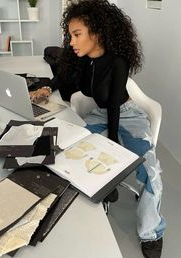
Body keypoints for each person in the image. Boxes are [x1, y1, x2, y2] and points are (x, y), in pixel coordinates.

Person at [30, 1, 166, 257]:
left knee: (150, 171)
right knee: (72, 153)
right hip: (100, 113)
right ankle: (104, 189)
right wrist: (47, 88)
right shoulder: (82, 59)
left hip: (126, 114)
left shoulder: (118, 61)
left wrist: (112, 148)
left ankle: (151, 232)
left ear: (98, 33)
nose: (71, 41)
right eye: (70, 35)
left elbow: (114, 106)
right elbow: (63, 77)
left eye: (77, 34)